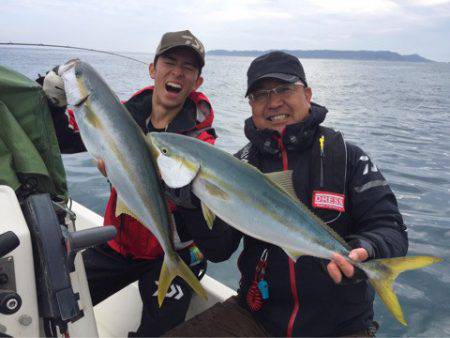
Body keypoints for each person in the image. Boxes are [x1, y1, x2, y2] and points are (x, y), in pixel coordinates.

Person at [165, 51, 409, 337]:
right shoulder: (238, 166)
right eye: (260, 94)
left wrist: (367, 248)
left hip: (340, 327)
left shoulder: (346, 157)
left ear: (307, 93)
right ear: (251, 105)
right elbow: (219, 250)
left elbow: (389, 227)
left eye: (284, 89)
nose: (273, 102)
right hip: (255, 318)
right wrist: (192, 204)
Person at [38, 30, 216, 337]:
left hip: (172, 251)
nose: (177, 72)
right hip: (119, 242)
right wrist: (53, 102)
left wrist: (175, 185)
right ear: (153, 69)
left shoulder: (200, 142)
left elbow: (207, 218)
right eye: (170, 61)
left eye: (188, 68)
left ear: (197, 82)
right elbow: (64, 140)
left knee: (159, 332)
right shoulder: (122, 116)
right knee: (51, 305)